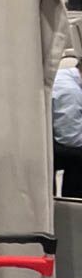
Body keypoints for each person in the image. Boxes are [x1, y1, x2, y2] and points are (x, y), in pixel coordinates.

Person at [52, 64, 82, 196]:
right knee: (79, 155)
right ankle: (74, 208)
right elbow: (71, 139)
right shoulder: (71, 93)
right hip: (43, 146)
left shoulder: (65, 74)